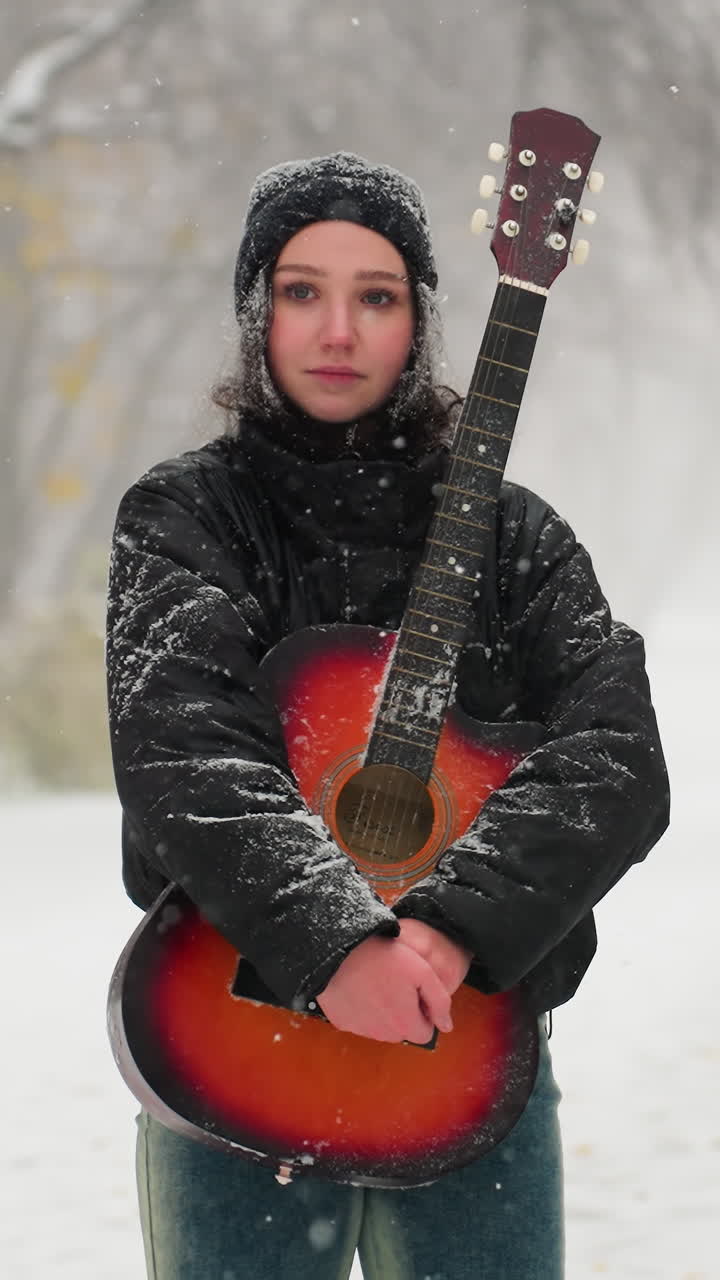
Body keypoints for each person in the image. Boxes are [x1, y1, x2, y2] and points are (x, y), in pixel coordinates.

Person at [106, 151, 670, 1280]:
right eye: (304, 289)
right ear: (257, 310)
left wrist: (449, 927)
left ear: (421, 318)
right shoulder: (185, 515)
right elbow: (184, 749)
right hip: (235, 1050)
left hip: (459, 1054)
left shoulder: (519, 539)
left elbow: (613, 759)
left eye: (377, 295)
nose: (338, 328)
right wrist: (334, 941)